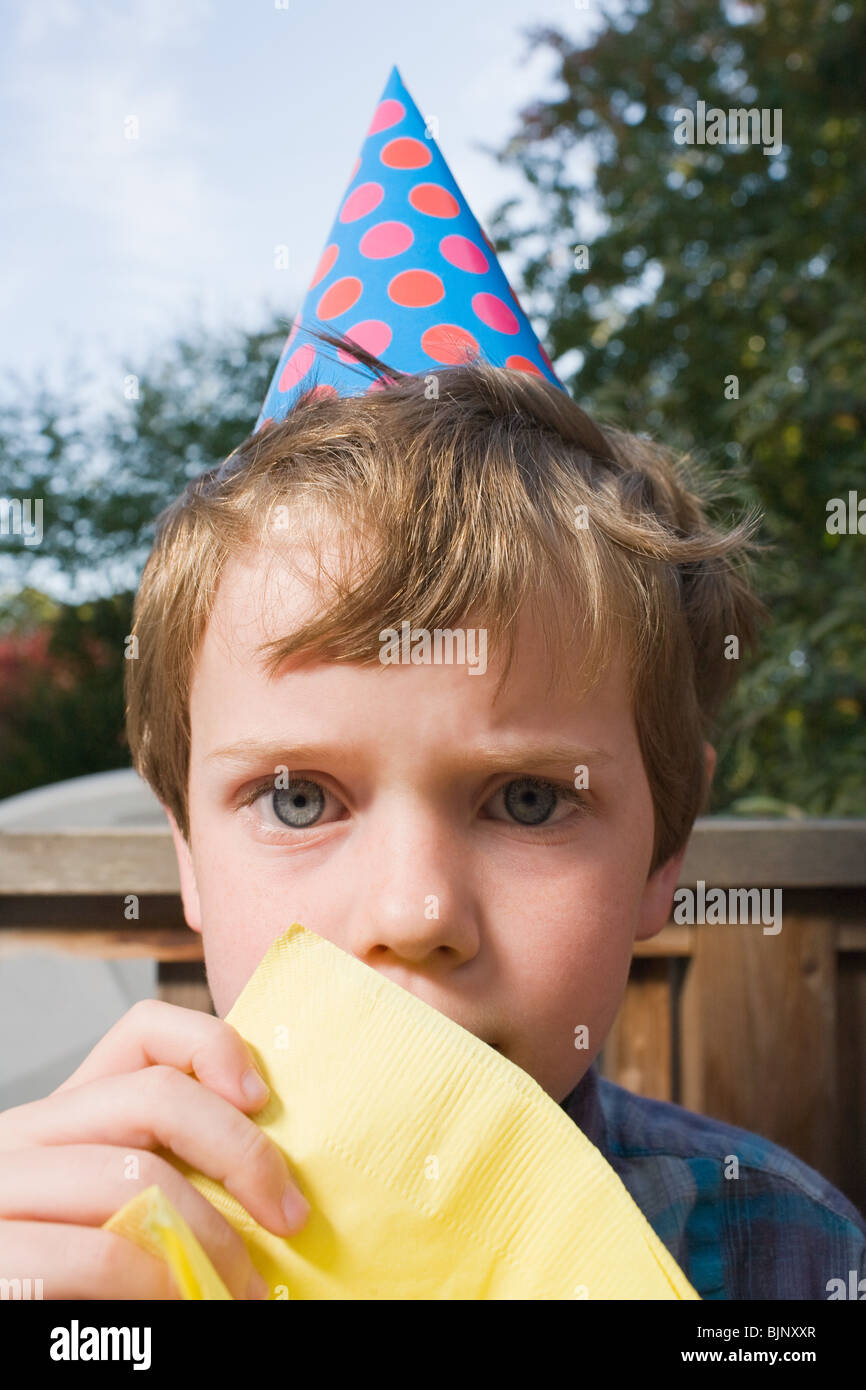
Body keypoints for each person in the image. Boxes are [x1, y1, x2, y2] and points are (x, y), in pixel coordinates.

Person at [1, 64, 863, 1301]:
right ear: (185, 852)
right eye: (297, 797)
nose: (412, 913)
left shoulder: (789, 1258)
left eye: (524, 800)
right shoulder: (68, 1263)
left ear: (662, 854)